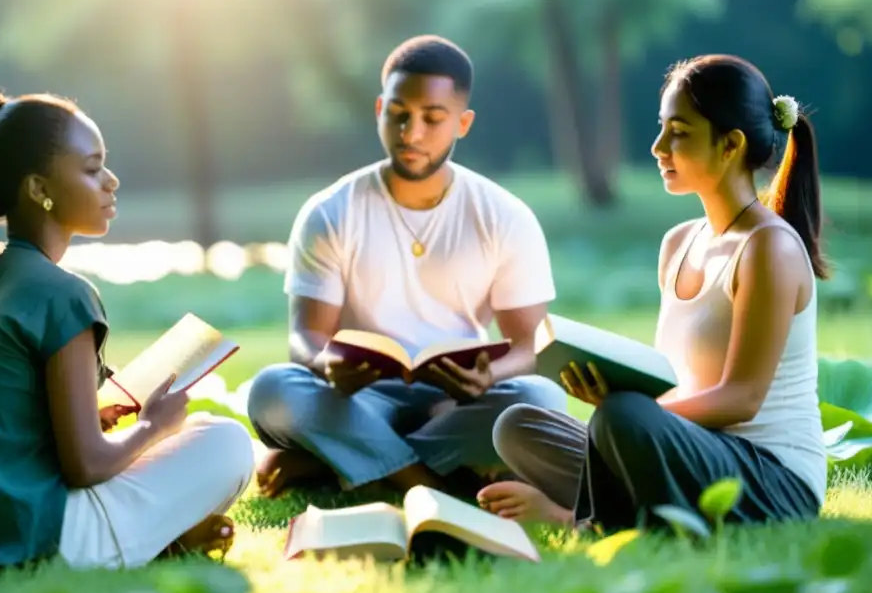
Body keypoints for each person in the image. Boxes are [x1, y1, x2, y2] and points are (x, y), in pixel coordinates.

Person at [0, 90, 255, 573]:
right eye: (91, 169)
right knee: (225, 441)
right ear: (38, 188)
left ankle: (163, 539)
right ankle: (158, 539)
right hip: (34, 540)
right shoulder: (61, 293)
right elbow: (84, 466)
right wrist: (153, 426)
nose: (111, 181)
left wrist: (97, 413)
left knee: (195, 440)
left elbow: (14, 426)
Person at [479, 54, 829, 532]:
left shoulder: (769, 248)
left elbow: (741, 399)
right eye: (662, 128)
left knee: (621, 419)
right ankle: (625, 493)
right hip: (689, 448)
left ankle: (576, 520)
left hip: (769, 478)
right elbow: (670, 380)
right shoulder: (679, 244)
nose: (658, 146)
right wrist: (610, 390)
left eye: (679, 132)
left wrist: (629, 413)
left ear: (730, 145)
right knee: (518, 426)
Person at [247, 35, 567, 498]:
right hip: (356, 402)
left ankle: (334, 460)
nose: (411, 133)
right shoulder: (332, 210)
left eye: (432, 119)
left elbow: (528, 347)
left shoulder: (504, 215)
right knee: (275, 388)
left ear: (463, 123)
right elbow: (305, 337)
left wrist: (488, 377)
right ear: (380, 108)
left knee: (541, 398)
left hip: (454, 406)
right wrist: (326, 364)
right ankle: (431, 480)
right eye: (398, 114)